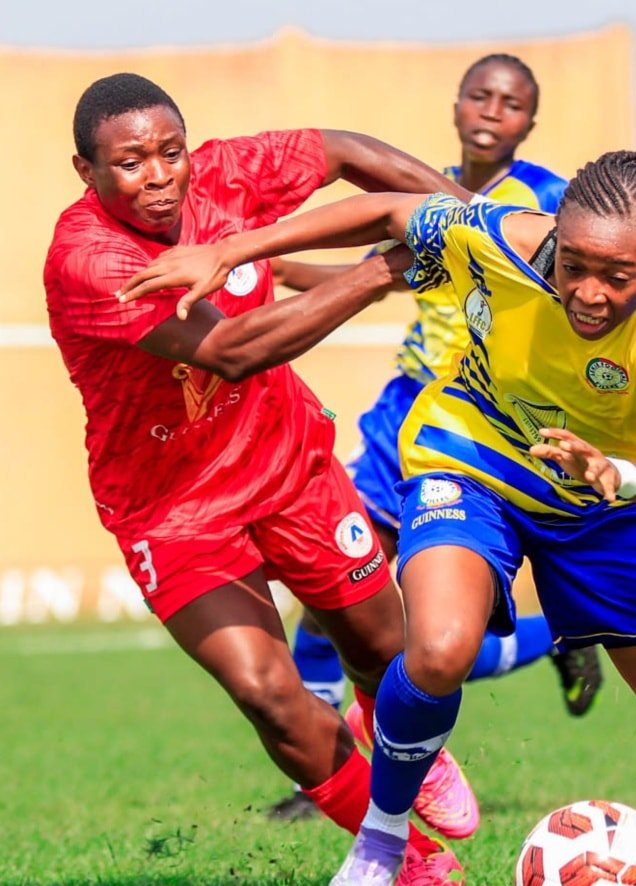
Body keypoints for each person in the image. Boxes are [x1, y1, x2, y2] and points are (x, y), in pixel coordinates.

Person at [118, 149, 636, 886]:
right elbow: (385, 209)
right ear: (554, 236)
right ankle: (380, 843)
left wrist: (615, 471)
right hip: (470, 463)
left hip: (602, 501)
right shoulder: (497, 234)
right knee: (439, 649)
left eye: (616, 275)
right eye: (573, 265)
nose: (588, 292)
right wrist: (230, 250)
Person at [43, 72, 481, 886]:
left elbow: (345, 152)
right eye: (130, 162)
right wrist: (385, 268)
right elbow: (235, 350)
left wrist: (470, 221)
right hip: (174, 512)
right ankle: (403, 857)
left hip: (291, 473)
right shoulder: (89, 259)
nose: (159, 175)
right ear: (86, 171)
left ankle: (389, 724)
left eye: (170, 152)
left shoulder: (224, 175)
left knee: (387, 655)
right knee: (267, 692)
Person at [264, 53, 604, 827]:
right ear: (456, 106)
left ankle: (552, 638)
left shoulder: (545, 200)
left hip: (484, 422)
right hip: (401, 418)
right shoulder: (421, 195)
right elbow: (375, 277)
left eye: (509, 102)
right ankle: (322, 769)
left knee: (433, 635)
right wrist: (278, 270)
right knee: (332, 588)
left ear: (528, 123)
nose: (491, 111)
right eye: (479, 96)